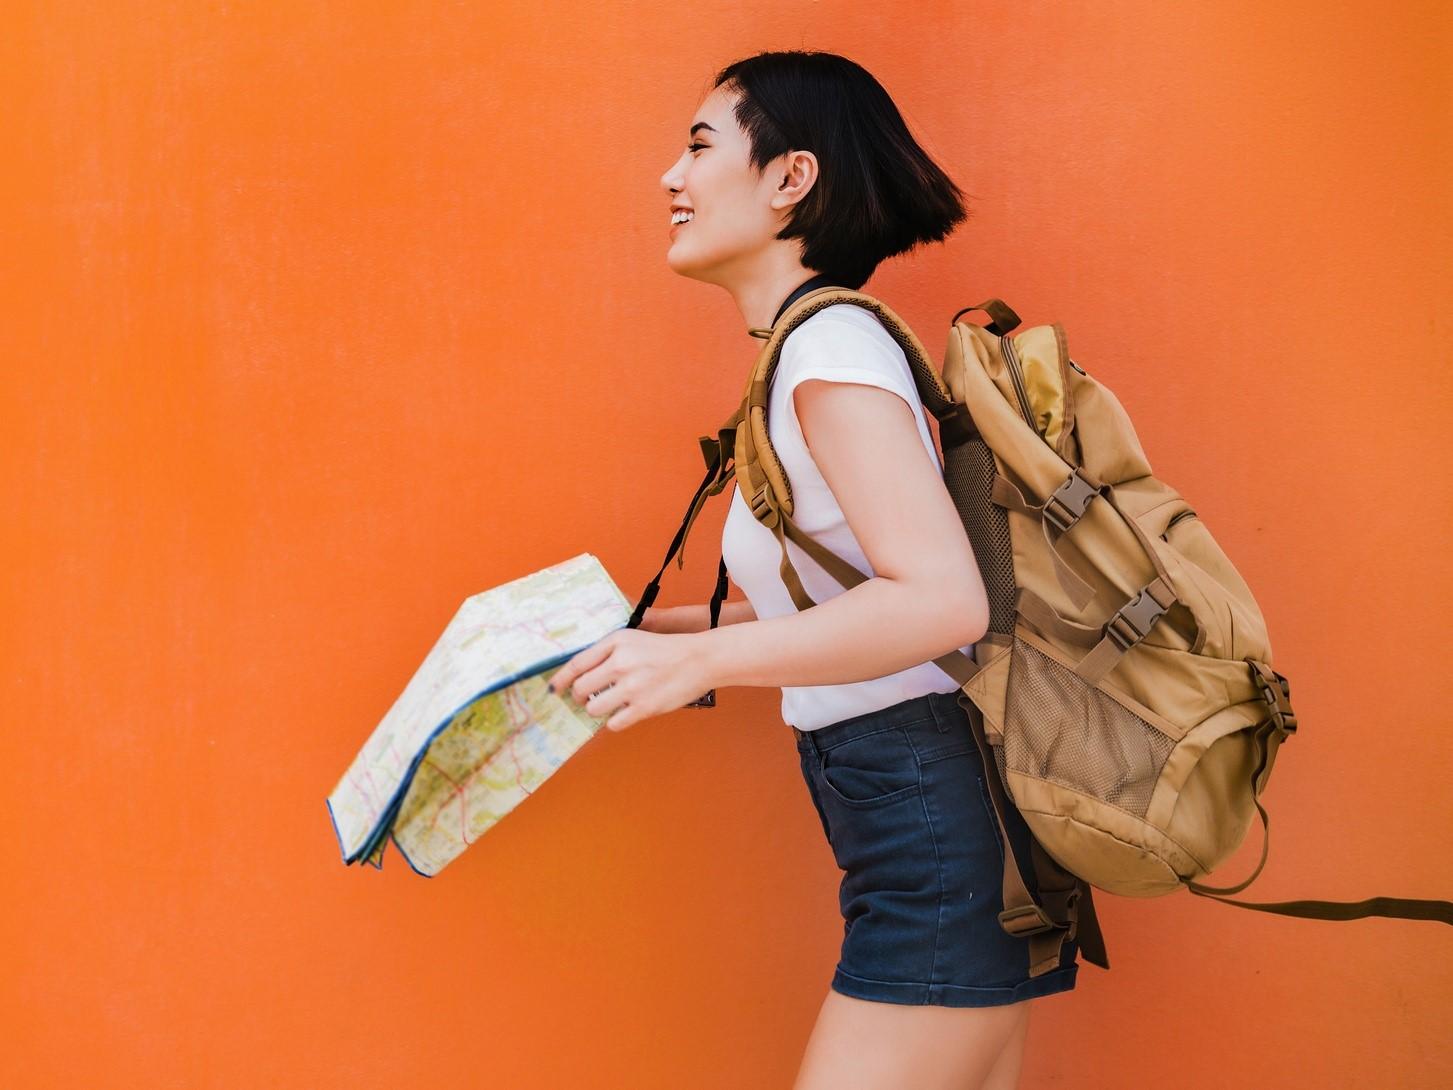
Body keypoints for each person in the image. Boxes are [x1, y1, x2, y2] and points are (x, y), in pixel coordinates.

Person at [548, 50, 1078, 1090]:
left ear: (791, 179)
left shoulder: (830, 350)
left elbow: (937, 601)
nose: (671, 176)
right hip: (922, 817)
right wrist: (651, 635)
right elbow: (848, 599)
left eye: (700, 146)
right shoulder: (812, 347)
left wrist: (702, 666)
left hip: (931, 823)